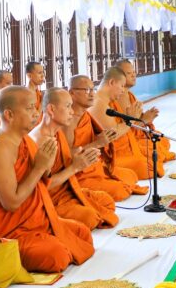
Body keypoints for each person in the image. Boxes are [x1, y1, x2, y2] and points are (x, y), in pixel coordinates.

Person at [0, 86, 94, 273]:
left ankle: (46, 240)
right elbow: (11, 203)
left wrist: (46, 166)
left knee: (82, 233)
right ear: (9, 114)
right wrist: (40, 167)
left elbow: (41, 184)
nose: (36, 113)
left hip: (32, 220)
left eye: (35, 107)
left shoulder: (24, 140)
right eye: (29, 108)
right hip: (3, 231)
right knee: (56, 256)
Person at [29, 89, 117, 230]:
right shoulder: (41, 141)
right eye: (68, 106)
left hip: (67, 191)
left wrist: (84, 158)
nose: (72, 111)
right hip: (50, 200)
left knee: (107, 201)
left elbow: (65, 157)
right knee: (91, 217)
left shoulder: (56, 133)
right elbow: (43, 187)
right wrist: (75, 167)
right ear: (51, 109)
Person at [67, 75, 146, 200]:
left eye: (92, 89)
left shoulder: (85, 115)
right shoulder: (68, 121)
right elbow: (65, 157)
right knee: (120, 190)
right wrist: (98, 143)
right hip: (80, 174)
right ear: (72, 93)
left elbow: (105, 138)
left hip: (96, 166)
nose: (92, 94)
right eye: (87, 90)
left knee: (131, 175)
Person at [91, 67, 155, 180]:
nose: (122, 90)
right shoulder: (99, 104)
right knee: (147, 167)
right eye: (121, 86)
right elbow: (113, 135)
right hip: (111, 156)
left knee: (151, 160)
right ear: (111, 82)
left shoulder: (107, 102)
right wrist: (133, 120)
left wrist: (136, 119)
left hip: (124, 148)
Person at [114, 59, 175, 163]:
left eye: (134, 72)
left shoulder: (130, 94)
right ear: (118, 76)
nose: (133, 75)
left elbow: (136, 120)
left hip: (137, 135)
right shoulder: (118, 97)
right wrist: (144, 120)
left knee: (162, 140)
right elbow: (125, 130)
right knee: (155, 152)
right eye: (129, 73)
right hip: (128, 141)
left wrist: (147, 118)